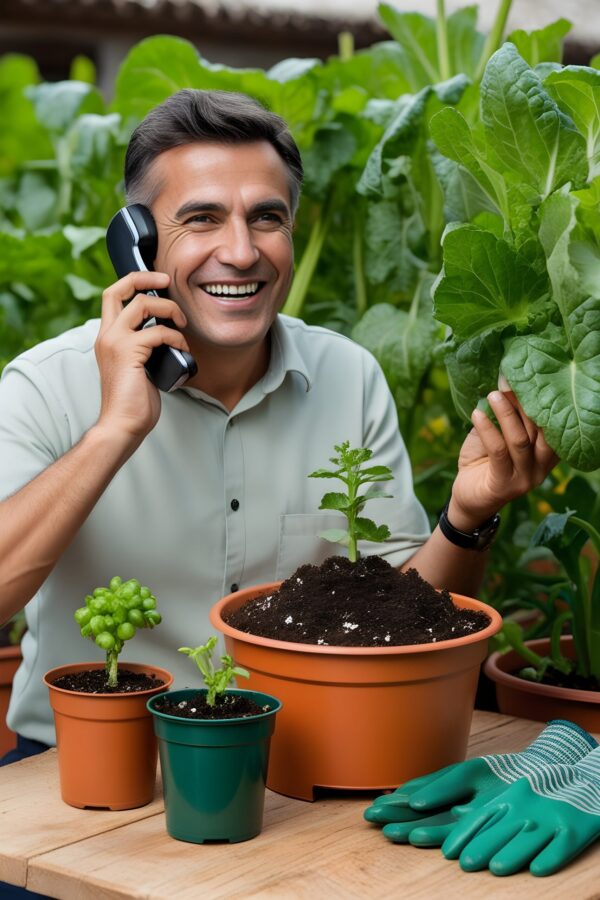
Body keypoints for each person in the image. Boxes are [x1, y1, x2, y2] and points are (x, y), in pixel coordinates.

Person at [0, 89, 557, 765]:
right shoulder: (46, 383)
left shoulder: (347, 376)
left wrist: (468, 513)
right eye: (201, 219)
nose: (240, 252)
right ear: (136, 240)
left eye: (266, 218)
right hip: (85, 771)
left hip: (293, 767)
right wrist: (115, 429)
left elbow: (409, 617)